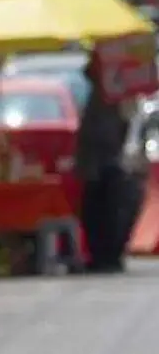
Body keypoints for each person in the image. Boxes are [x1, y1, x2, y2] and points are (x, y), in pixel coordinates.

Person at [75, 55, 131, 273]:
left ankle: (108, 256)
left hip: (108, 162)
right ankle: (100, 255)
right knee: (94, 212)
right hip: (94, 164)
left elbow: (118, 128)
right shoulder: (96, 96)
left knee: (109, 211)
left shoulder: (115, 95)